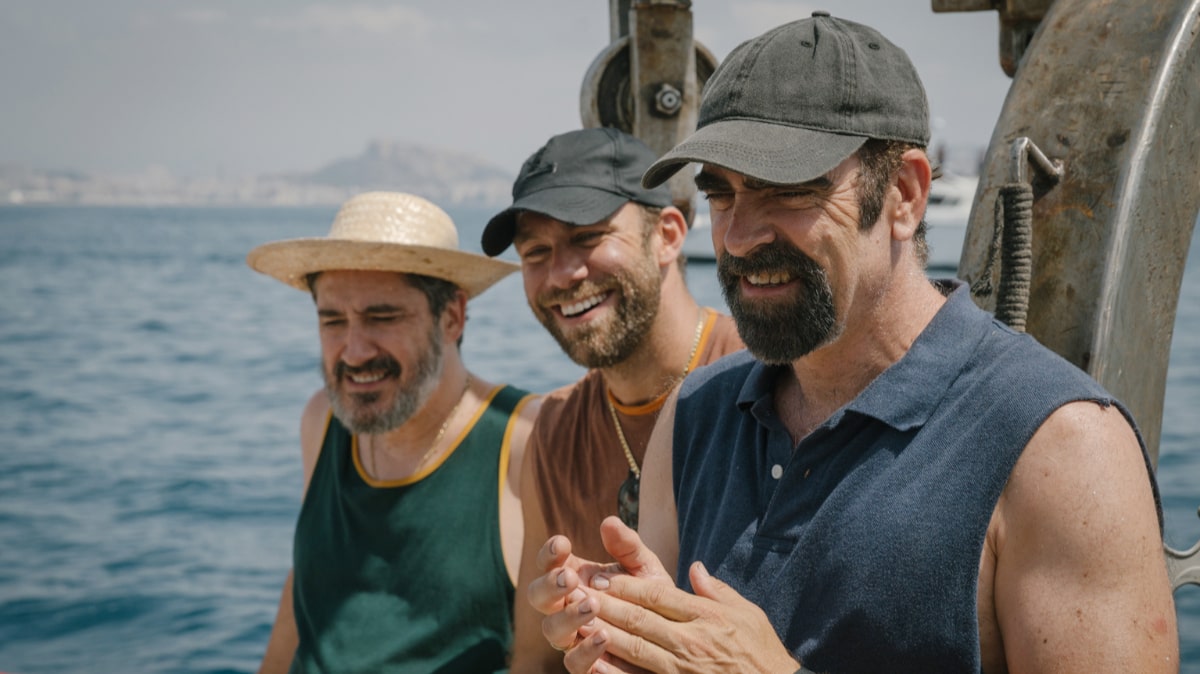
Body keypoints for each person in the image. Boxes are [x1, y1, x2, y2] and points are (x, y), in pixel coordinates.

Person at [528, 12, 1178, 673]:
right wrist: (626, 640)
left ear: (903, 194)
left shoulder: (1061, 447)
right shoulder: (694, 414)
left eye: (787, 190)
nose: (737, 236)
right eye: (722, 195)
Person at [480, 127, 743, 671]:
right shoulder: (551, 432)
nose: (562, 274)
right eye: (535, 251)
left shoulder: (761, 382)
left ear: (668, 235)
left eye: (588, 237)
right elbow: (533, 662)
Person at [246, 191, 541, 673]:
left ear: (452, 317)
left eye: (382, 317)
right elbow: (304, 597)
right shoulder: (322, 421)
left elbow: (543, 661)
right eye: (332, 321)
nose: (354, 350)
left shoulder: (525, 439)